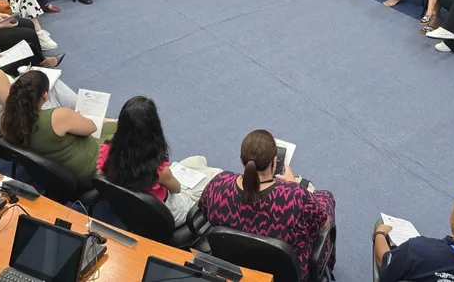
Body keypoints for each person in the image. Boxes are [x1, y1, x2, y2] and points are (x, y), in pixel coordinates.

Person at [199, 129, 336, 281]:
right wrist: (293, 186)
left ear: (242, 159)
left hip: (234, 265)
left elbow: (204, 210)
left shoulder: (219, 184)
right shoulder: (294, 195)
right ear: (274, 162)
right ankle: (327, 266)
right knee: (326, 197)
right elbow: (322, 224)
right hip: (289, 274)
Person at [97, 96, 221, 227]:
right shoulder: (159, 170)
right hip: (169, 213)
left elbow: (101, 178)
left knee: (198, 160)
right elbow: (177, 190)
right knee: (218, 176)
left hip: (131, 210)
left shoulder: (107, 152)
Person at [1, 70, 116, 188]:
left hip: (58, 172)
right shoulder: (57, 117)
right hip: (90, 168)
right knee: (125, 128)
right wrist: (76, 117)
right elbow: (92, 127)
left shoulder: (8, 121)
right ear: (45, 95)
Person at [0, 22, 77, 126]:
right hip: (8, 123)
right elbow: (16, 110)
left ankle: (79, 114)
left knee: (46, 81)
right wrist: (26, 81)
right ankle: (80, 114)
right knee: (50, 84)